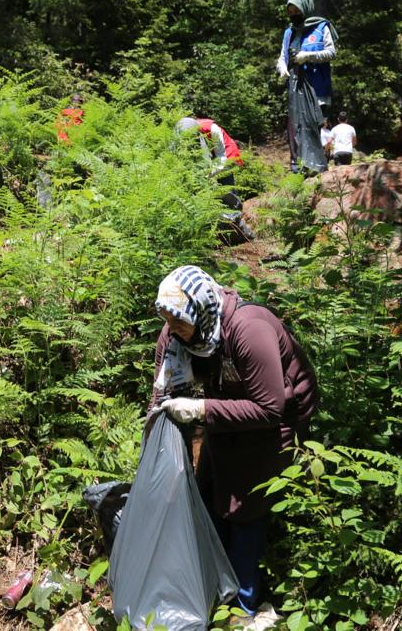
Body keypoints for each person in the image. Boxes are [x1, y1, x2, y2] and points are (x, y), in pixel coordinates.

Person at [150, 265, 319, 628]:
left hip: (279, 414)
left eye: (179, 322)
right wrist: (153, 443)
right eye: (168, 321)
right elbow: (161, 391)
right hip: (229, 404)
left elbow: (269, 408)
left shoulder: (248, 329)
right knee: (210, 486)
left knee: (246, 502)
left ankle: (243, 603)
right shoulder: (178, 330)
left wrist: (200, 408)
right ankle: (213, 586)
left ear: (200, 310)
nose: (174, 331)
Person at [276, 0, 338, 173]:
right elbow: (282, 56)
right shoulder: (289, 32)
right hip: (296, 88)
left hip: (317, 87)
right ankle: (299, 169)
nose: (293, 14)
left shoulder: (321, 27)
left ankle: (318, 168)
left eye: (297, 10)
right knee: (296, 128)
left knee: (315, 127)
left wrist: (308, 56)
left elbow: (331, 53)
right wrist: (282, 68)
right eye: (291, 11)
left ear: (305, 8)